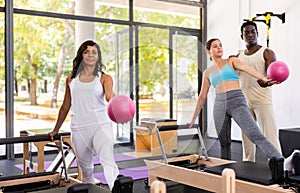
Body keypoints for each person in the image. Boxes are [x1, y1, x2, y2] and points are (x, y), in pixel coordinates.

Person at [188, 38, 298, 171]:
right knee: (224, 142)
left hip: (237, 101)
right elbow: (202, 97)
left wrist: (262, 77)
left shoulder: (231, 61)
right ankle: (225, 170)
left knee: (254, 134)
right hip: (219, 105)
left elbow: (247, 69)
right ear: (208, 51)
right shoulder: (207, 72)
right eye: (215, 46)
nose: (219, 48)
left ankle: (280, 161)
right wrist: (193, 118)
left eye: (221, 45)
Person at [48, 40, 119, 191]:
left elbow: (108, 97)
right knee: (86, 169)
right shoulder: (71, 79)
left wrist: (119, 103)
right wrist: (56, 129)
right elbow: (65, 107)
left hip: (100, 126)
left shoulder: (105, 78)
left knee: (107, 160)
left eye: (94, 52)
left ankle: (116, 189)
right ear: (82, 55)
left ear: (98, 56)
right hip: (79, 128)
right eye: (87, 52)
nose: (91, 55)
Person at [238, 21, 282, 162]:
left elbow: (270, 77)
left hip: (262, 100)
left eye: (253, 32)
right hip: (244, 102)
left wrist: (266, 82)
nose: (250, 35)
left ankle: (278, 166)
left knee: (270, 135)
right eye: (247, 32)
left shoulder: (267, 52)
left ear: (257, 34)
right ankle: (247, 164)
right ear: (242, 36)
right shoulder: (238, 56)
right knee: (247, 137)